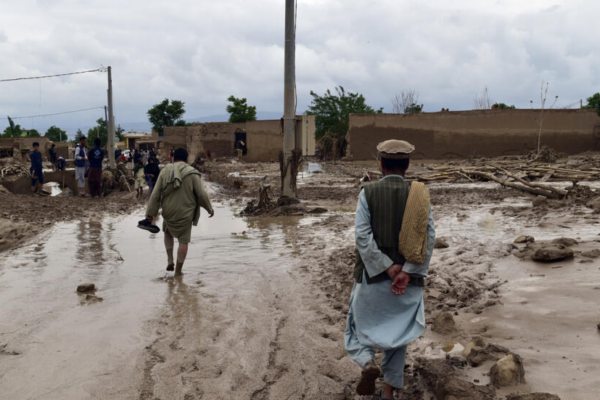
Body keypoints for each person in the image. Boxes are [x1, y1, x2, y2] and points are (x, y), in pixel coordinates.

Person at [345, 140, 436, 399]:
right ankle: (387, 393)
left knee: (354, 326)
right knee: (398, 338)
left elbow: (362, 237)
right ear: (407, 165)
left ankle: (367, 363)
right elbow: (428, 237)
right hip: (408, 284)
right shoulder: (419, 194)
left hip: (371, 279)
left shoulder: (368, 192)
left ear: (381, 164)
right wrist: (407, 271)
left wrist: (387, 268)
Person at [141, 148, 214, 276]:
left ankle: (170, 259)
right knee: (183, 241)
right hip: (185, 214)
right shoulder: (193, 173)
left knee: (167, 233)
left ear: (173, 158)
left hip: (168, 212)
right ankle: (178, 271)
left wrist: (150, 215)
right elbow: (201, 194)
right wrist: (209, 208)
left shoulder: (165, 171)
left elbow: (155, 194)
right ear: (186, 159)